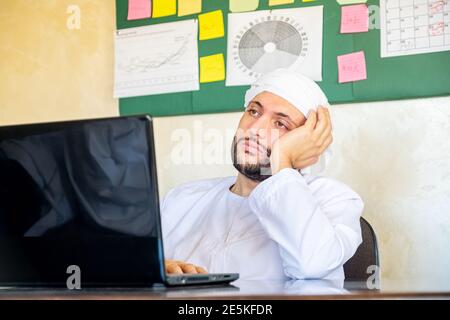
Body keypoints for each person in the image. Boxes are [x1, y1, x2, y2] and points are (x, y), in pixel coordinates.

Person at [162, 69, 363, 280]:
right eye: (254, 112)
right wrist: (155, 270)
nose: (255, 129)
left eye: (281, 124)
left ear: (306, 141)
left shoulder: (334, 199)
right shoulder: (179, 199)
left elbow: (311, 266)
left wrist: (282, 159)